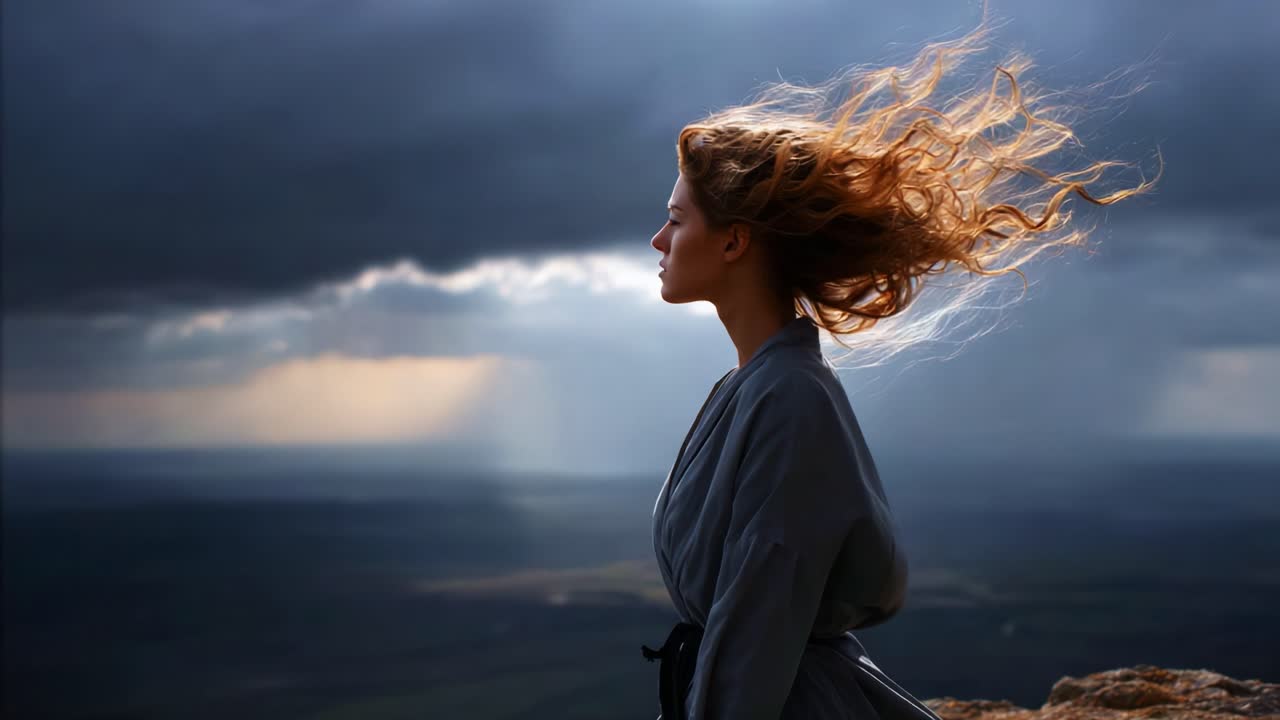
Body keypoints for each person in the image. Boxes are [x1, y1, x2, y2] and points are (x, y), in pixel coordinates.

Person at [641, 17, 1159, 720]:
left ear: (734, 241)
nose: (658, 238)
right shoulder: (751, 388)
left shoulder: (788, 399)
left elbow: (757, 625)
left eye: (677, 219)